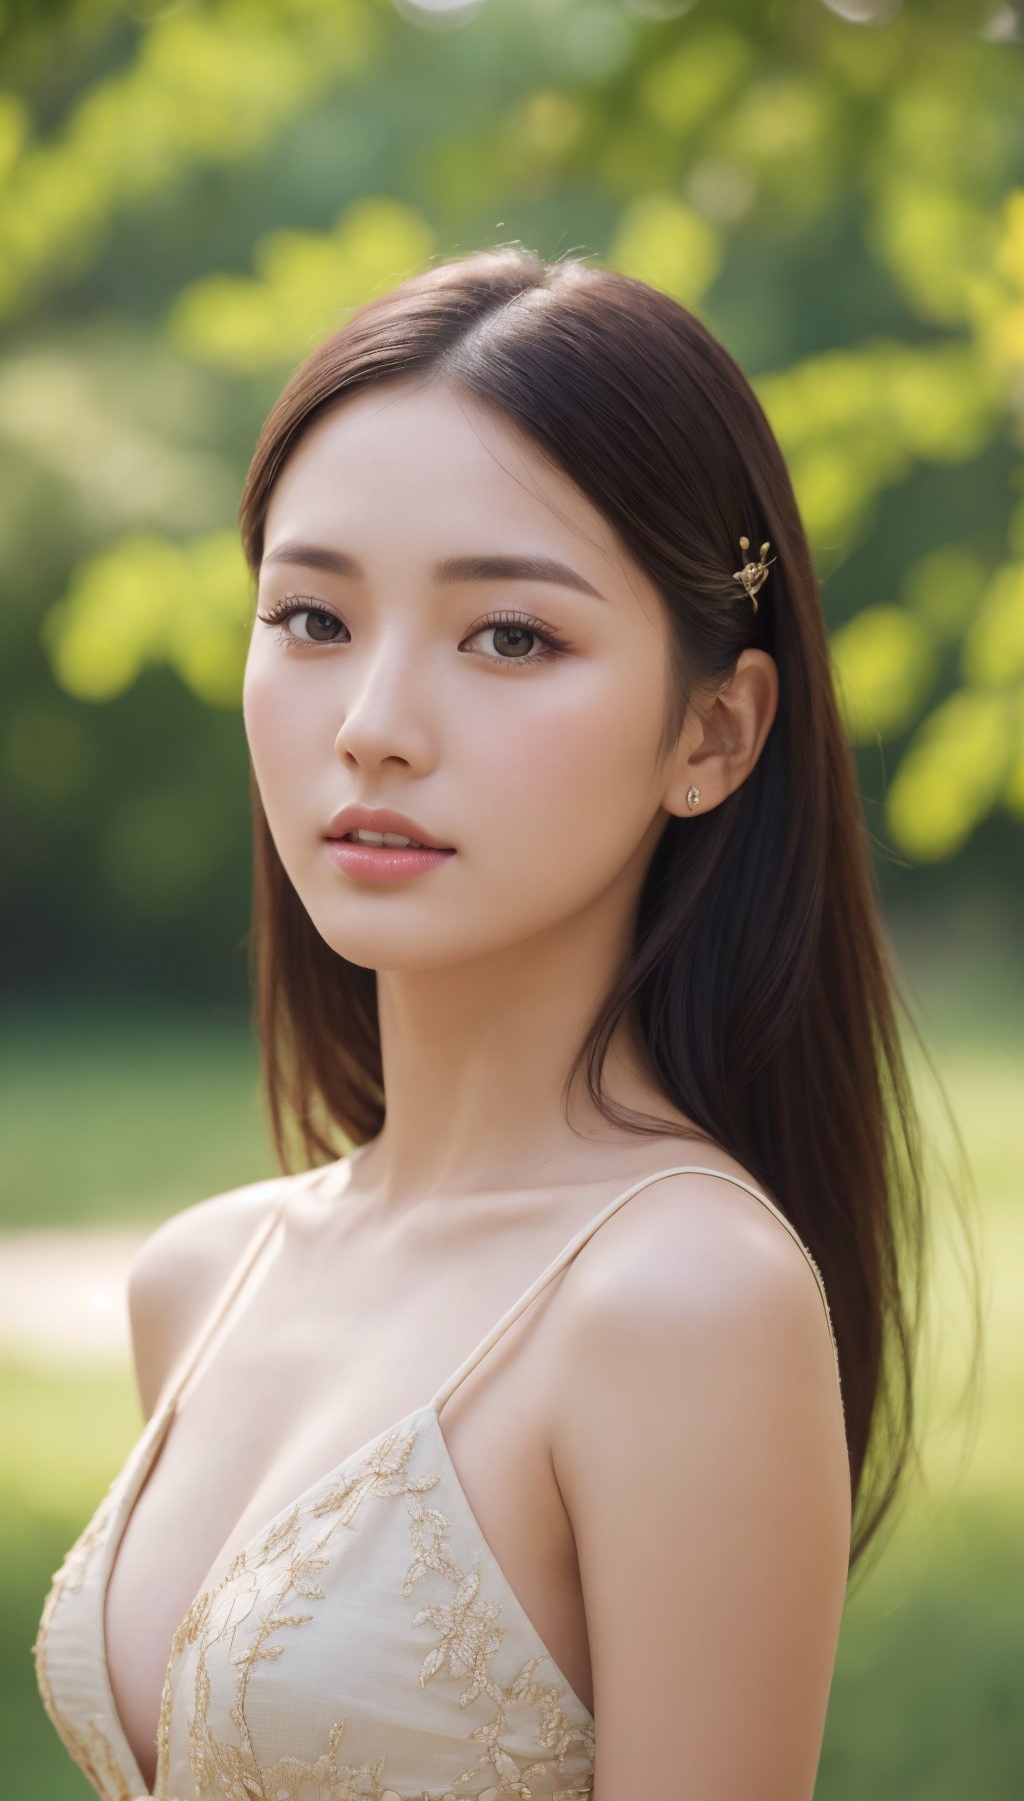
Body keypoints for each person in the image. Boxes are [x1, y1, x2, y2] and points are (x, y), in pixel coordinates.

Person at [34, 244, 929, 1801]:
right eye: (311, 619)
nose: (373, 725)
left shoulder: (685, 1302)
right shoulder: (204, 1277)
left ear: (713, 732)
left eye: (510, 636)